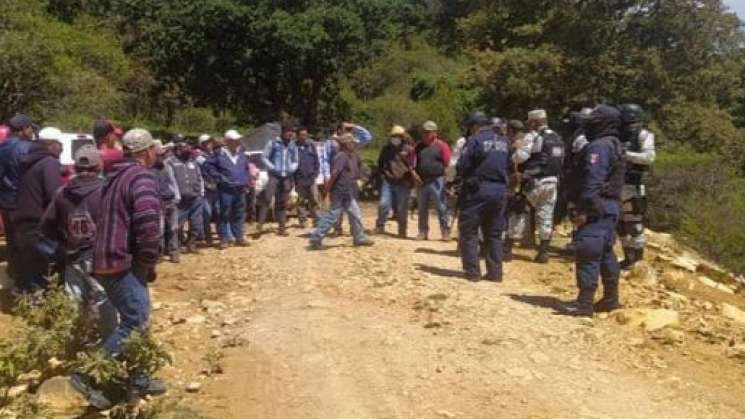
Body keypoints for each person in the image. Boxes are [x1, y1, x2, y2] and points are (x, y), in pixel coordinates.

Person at [82, 128, 166, 406]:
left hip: (106, 259)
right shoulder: (141, 177)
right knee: (136, 322)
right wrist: (149, 260)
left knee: (138, 318)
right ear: (146, 152)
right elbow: (147, 224)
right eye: (154, 149)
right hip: (123, 261)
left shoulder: (114, 176)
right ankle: (87, 375)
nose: (156, 153)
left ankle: (139, 379)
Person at [41, 144, 117, 337]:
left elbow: (46, 226)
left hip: (73, 255)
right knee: (104, 301)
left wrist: (64, 242)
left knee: (74, 302)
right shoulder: (107, 191)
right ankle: (108, 347)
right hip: (101, 257)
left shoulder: (62, 193)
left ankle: (74, 343)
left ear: (74, 167)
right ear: (98, 167)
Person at [562, 105, 626, 317]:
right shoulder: (615, 144)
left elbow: (593, 180)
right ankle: (610, 298)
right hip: (610, 206)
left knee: (588, 251)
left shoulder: (599, 147)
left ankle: (584, 303)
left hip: (597, 206)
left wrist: (585, 208)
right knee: (606, 253)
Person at [456, 112, 510, 282]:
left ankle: (472, 272)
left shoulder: (475, 140)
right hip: (500, 189)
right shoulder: (504, 141)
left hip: (478, 190)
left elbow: (462, 166)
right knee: (494, 233)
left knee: (469, 230)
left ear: (474, 126)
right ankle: (495, 273)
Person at [505, 109, 564, 264]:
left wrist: (514, 151)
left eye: (530, 121)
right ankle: (543, 252)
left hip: (534, 182)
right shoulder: (556, 137)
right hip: (552, 181)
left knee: (518, 212)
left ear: (534, 122)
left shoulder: (533, 136)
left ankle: (507, 249)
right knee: (545, 215)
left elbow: (520, 157)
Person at [14, 127, 64, 292]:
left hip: (23, 223)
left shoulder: (28, 160)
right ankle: (48, 309)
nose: (62, 148)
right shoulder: (49, 162)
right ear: (51, 145)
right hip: (39, 225)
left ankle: (32, 307)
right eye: (59, 144)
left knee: (32, 270)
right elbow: (54, 195)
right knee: (50, 269)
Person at [309, 134, 374, 249]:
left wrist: (362, 179)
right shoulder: (341, 156)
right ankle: (316, 237)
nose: (354, 144)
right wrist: (327, 188)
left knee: (355, 214)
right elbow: (335, 173)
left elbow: (355, 172)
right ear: (346, 144)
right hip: (340, 191)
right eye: (352, 143)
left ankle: (359, 237)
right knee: (333, 215)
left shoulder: (352, 156)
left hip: (347, 190)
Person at [618, 104, 656, 270]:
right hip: (615, 184)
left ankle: (638, 262)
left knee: (634, 223)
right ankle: (628, 259)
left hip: (633, 184)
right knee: (620, 224)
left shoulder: (643, 134)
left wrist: (627, 155)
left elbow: (649, 156)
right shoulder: (617, 133)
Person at [0, 114, 36, 282]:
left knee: (12, 241)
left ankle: (13, 275)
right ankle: (25, 282)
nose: (32, 131)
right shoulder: (27, 148)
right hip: (23, 202)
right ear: (23, 130)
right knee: (26, 244)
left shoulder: (2, 148)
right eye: (30, 128)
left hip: (7, 202)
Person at [207, 130, 250, 248]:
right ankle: (224, 239)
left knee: (239, 213)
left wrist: (246, 180)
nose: (238, 142)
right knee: (224, 213)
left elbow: (246, 167)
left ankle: (239, 237)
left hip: (240, 188)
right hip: (226, 189)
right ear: (228, 141)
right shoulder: (219, 153)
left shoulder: (242, 153)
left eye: (238, 140)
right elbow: (208, 166)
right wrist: (219, 178)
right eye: (235, 140)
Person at [375, 125, 420, 238]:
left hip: (403, 182)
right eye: (394, 136)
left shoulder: (409, 150)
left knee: (402, 207)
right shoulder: (386, 149)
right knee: (383, 203)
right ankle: (380, 226)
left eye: (398, 136)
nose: (396, 138)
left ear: (402, 137)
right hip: (388, 180)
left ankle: (402, 230)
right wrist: (382, 176)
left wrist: (411, 181)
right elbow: (380, 164)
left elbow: (413, 166)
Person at [167, 135, 205, 253]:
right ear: (177, 149)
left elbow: (199, 176)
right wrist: (176, 195)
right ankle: (176, 245)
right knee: (177, 224)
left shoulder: (193, 161)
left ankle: (191, 243)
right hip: (180, 199)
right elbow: (171, 180)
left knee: (197, 222)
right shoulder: (170, 162)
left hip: (195, 197)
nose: (187, 149)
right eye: (184, 146)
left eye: (188, 146)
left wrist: (201, 192)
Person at [259, 125, 298, 236]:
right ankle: (260, 224)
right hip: (274, 176)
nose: (290, 134)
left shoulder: (293, 145)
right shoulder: (273, 143)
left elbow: (295, 160)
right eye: (289, 132)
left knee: (282, 202)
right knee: (267, 198)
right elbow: (264, 157)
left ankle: (282, 227)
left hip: (286, 177)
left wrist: (292, 168)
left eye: (292, 132)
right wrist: (272, 167)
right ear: (283, 132)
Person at [415, 120, 451, 241]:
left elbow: (447, 163)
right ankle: (422, 231)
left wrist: (447, 179)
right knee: (422, 208)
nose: (425, 134)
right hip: (421, 180)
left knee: (441, 206)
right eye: (424, 132)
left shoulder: (442, 145)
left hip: (437, 179)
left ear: (434, 133)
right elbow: (413, 163)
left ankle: (445, 230)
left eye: (428, 132)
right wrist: (415, 177)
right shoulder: (418, 146)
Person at [152, 141, 180, 262]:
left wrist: (177, 195)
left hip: (170, 199)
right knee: (160, 230)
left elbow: (172, 181)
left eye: (163, 154)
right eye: (159, 154)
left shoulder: (167, 167)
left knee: (173, 228)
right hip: (158, 202)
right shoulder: (148, 169)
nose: (161, 157)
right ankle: (160, 253)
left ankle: (174, 252)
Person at [294, 127, 321, 228]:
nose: (304, 137)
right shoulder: (294, 147)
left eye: (305, 134)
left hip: (311, 178)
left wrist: (316, 173)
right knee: (301, 201)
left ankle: (317, 220)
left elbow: (316, 161)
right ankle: (303, 221)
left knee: (315, 199)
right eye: (302, 135)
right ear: (297, 136)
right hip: (300, 178)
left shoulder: (311, 146)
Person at [196, 134, 220, 245]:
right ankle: (208, 236)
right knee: (207, 213)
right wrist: (206, 184)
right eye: (207, 143)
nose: (210, 144)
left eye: (210, 142)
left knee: (219, 211)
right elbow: (201, 173)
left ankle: (221, 234)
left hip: (216, 187)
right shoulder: (199, 157)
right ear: (203, 145)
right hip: (206, 189)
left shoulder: (214, 155)